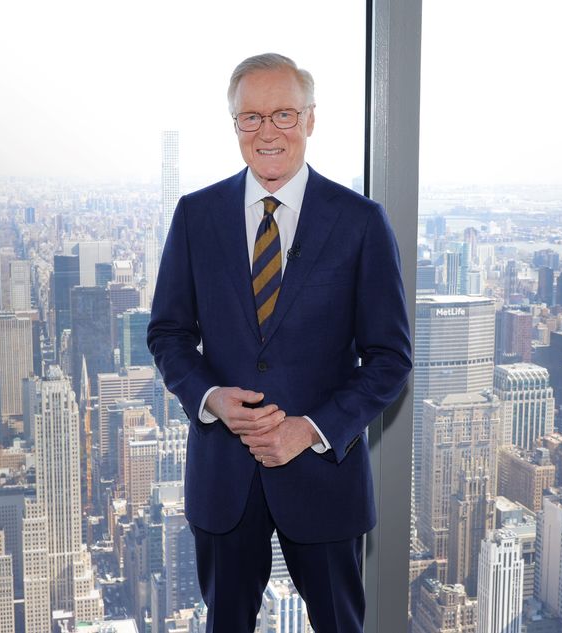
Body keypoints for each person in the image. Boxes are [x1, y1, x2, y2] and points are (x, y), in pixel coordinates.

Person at [147, 53, 411, 633]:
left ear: (311, 120)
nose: (268, 132)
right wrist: (211, 397)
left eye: (284, 114)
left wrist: (309, 429)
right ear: (235, 125)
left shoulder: (361, 221)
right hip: (224, 478)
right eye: (252, 118)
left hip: (324, 477)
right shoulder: (196, 216)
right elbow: (167, 333)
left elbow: (390, 359)